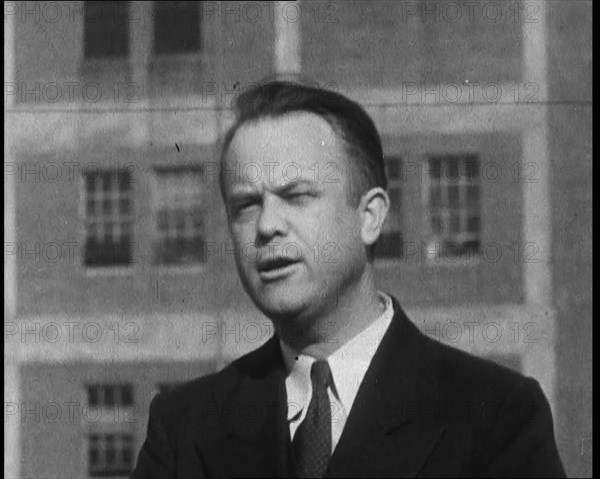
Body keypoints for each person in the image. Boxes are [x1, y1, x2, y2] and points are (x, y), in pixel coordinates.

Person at [131, 81, 565, 478]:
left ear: (370, 217)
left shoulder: (495, 415)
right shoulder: (184, 428)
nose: (267, 225)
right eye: (246, 205)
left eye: (296, 196)